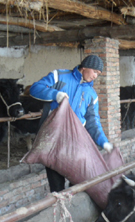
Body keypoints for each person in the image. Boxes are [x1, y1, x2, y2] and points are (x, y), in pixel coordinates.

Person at [29, 54, 113, 192]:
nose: (95, 76)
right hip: (54, 142)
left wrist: (104, 142)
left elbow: (93, 122)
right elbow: (35, 88)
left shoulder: (91, 94)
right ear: (85, 67)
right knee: (56, 186)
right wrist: (55, 94)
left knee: (78, 182)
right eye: (95, 72)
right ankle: (60, 209)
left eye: (98, 74)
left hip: (75, 143)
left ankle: (74, 208)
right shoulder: (59, 76)